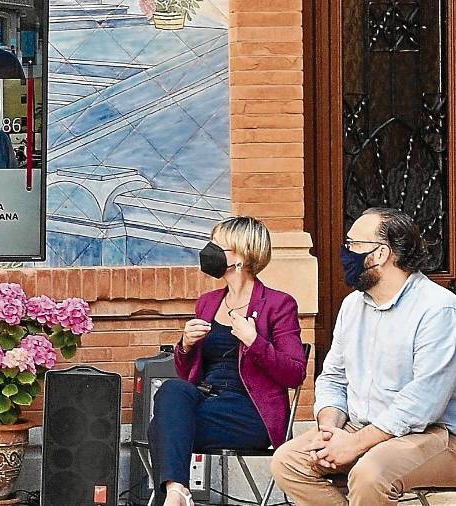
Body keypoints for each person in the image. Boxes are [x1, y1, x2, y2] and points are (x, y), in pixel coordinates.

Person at [270, 208, 456, 506]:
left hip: (433, 435)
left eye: (353, 244)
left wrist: (356, 444)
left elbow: (424, 401)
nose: (346, 253)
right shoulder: (352, 305)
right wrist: (329, 429)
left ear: (381, 253)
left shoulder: (438, 309)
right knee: (288, 462)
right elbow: (333, 377)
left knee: (371, 472)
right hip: (359, 427)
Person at [147, 216, 306, 506]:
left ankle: (175, 495)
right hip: (207, 401)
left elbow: (294, 374)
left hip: (250, 412)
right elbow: (186, 374)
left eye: (219, 245)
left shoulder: (279, 304)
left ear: (242, 256)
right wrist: (185, 345)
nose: (210, 251)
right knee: (171, 390)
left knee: (161, 429)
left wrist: (254, 341)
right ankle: (177, 492)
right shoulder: (207, 302)